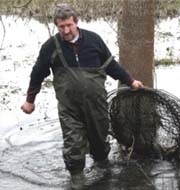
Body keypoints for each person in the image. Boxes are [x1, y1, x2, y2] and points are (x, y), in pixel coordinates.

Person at [21, 4, 143, 189]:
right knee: (73, 144)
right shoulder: (50, 47)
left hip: (97, 105)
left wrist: (130, 81)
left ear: (76, 22)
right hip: (69, 108)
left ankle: (103, 171)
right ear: (56, 25)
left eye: (69, 25)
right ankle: (77, 180)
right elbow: (37, 74)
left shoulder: (94, 40)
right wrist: (30, 100)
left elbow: (111, 66)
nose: (66, 30)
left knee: (100, 142)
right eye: (61, 26)